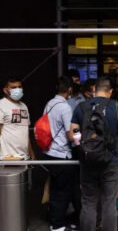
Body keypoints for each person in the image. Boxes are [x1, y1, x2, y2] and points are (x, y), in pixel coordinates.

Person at [71, 77, 118, 231]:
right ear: (110, 91)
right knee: (109, 203)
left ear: (94, 90)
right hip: (111, 161)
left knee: (89, 202)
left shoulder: (81, 106)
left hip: (87, 161)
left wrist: (85, 144)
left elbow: (72, 134)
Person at [42, 76, 76, 231]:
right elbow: (70, 134)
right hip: (62, 154)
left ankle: (55, 221)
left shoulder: (49, 104)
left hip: (49, 152)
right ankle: (58, 225)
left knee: (56, 189)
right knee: (63, 191)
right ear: (69, 89)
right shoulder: (65, 107)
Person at [0, 77, 34, 160]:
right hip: (7, 157)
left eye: (19, 87)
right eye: (13, 88)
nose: (18, 89)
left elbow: (25, 131)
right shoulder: (1, 105)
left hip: (24, 157)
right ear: (5, 90)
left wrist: (31, 153)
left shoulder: (24, 106)